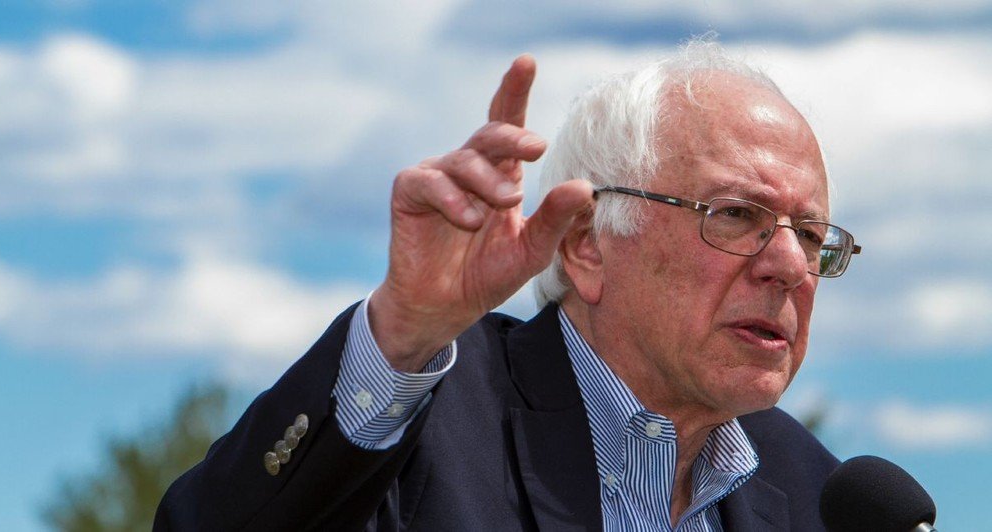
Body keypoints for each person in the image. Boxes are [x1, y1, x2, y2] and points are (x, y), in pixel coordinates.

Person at [156, 40, 862, 531]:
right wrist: (402, 333)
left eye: (810, 235)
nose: (790, 267)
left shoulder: (825, 498)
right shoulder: (423, 421)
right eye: (736, 215)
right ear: (587, 246)